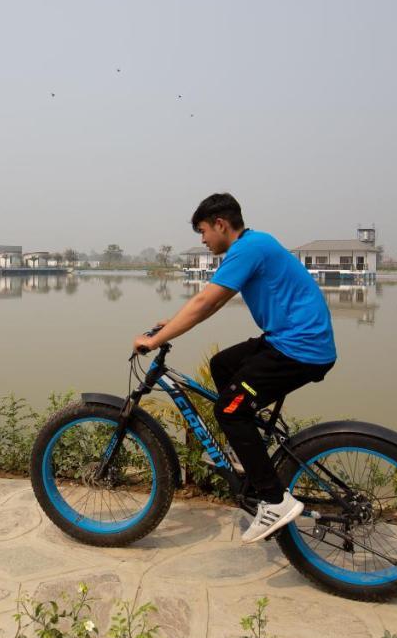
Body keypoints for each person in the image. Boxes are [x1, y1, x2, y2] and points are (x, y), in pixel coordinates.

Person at [133, 193, 336, 544]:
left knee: (228, 410)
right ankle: (246, 449)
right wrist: (170, 323)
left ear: (221, 225)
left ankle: (275, 500)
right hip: (289, 340)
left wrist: (154, 341)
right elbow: (210, 302)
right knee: (222, 364)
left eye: (203, 231)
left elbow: (204, 302)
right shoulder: (253, 244)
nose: (202, 240)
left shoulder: (247, 249)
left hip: (299, 349)